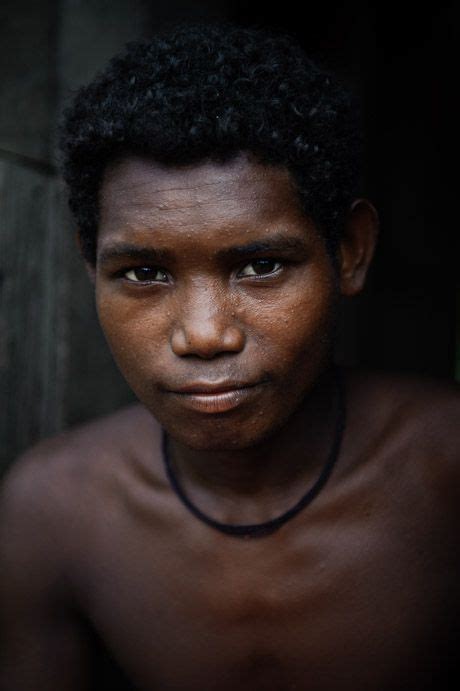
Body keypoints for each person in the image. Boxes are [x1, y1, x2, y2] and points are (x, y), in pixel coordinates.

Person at [1, 22, 458, 691]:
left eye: (262, 265)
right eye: (143, 274)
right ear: (89, 267)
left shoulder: (444, 474)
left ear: (351, 251)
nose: (205, 334)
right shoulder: (53, 510)